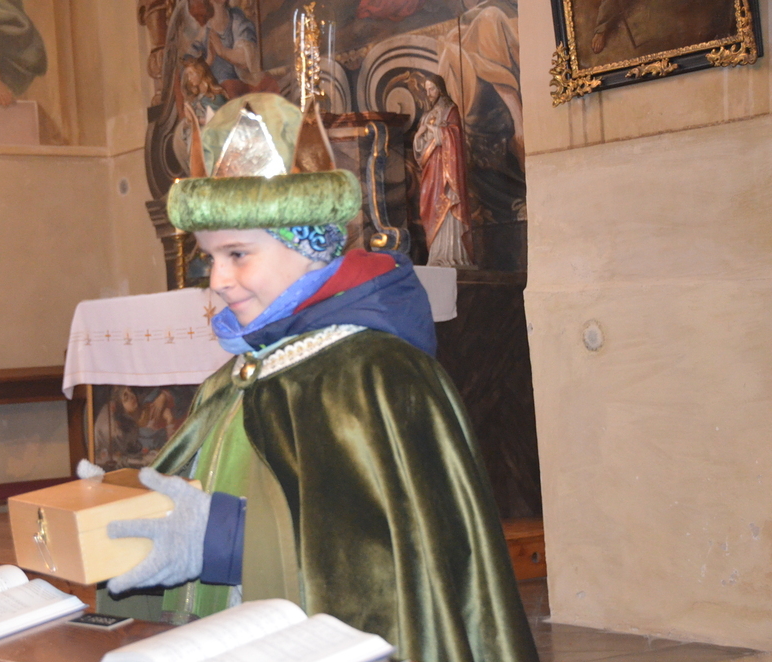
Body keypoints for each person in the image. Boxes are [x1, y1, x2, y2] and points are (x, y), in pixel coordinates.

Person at [106, 93, 538, 662]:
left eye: (238, 254)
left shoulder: (380, 378)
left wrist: (221, 540)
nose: (218, 281)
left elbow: (389, 571)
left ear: (308, 245)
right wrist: (120, 506)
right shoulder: (235, 377)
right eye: (209, 258)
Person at [412, 74, 474, 267]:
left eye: (432, 88)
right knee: (431, 203)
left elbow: (455, 135)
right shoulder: (426, 115)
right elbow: (419, 149)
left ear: (440, 89)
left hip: (448, 168)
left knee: (448, 202)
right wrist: (419, 136)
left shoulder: (450, 110)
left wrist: (435, 131)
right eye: (427, 89)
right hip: (431, 168)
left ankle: (452, 253)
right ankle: (436, 254)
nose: (429, 93)